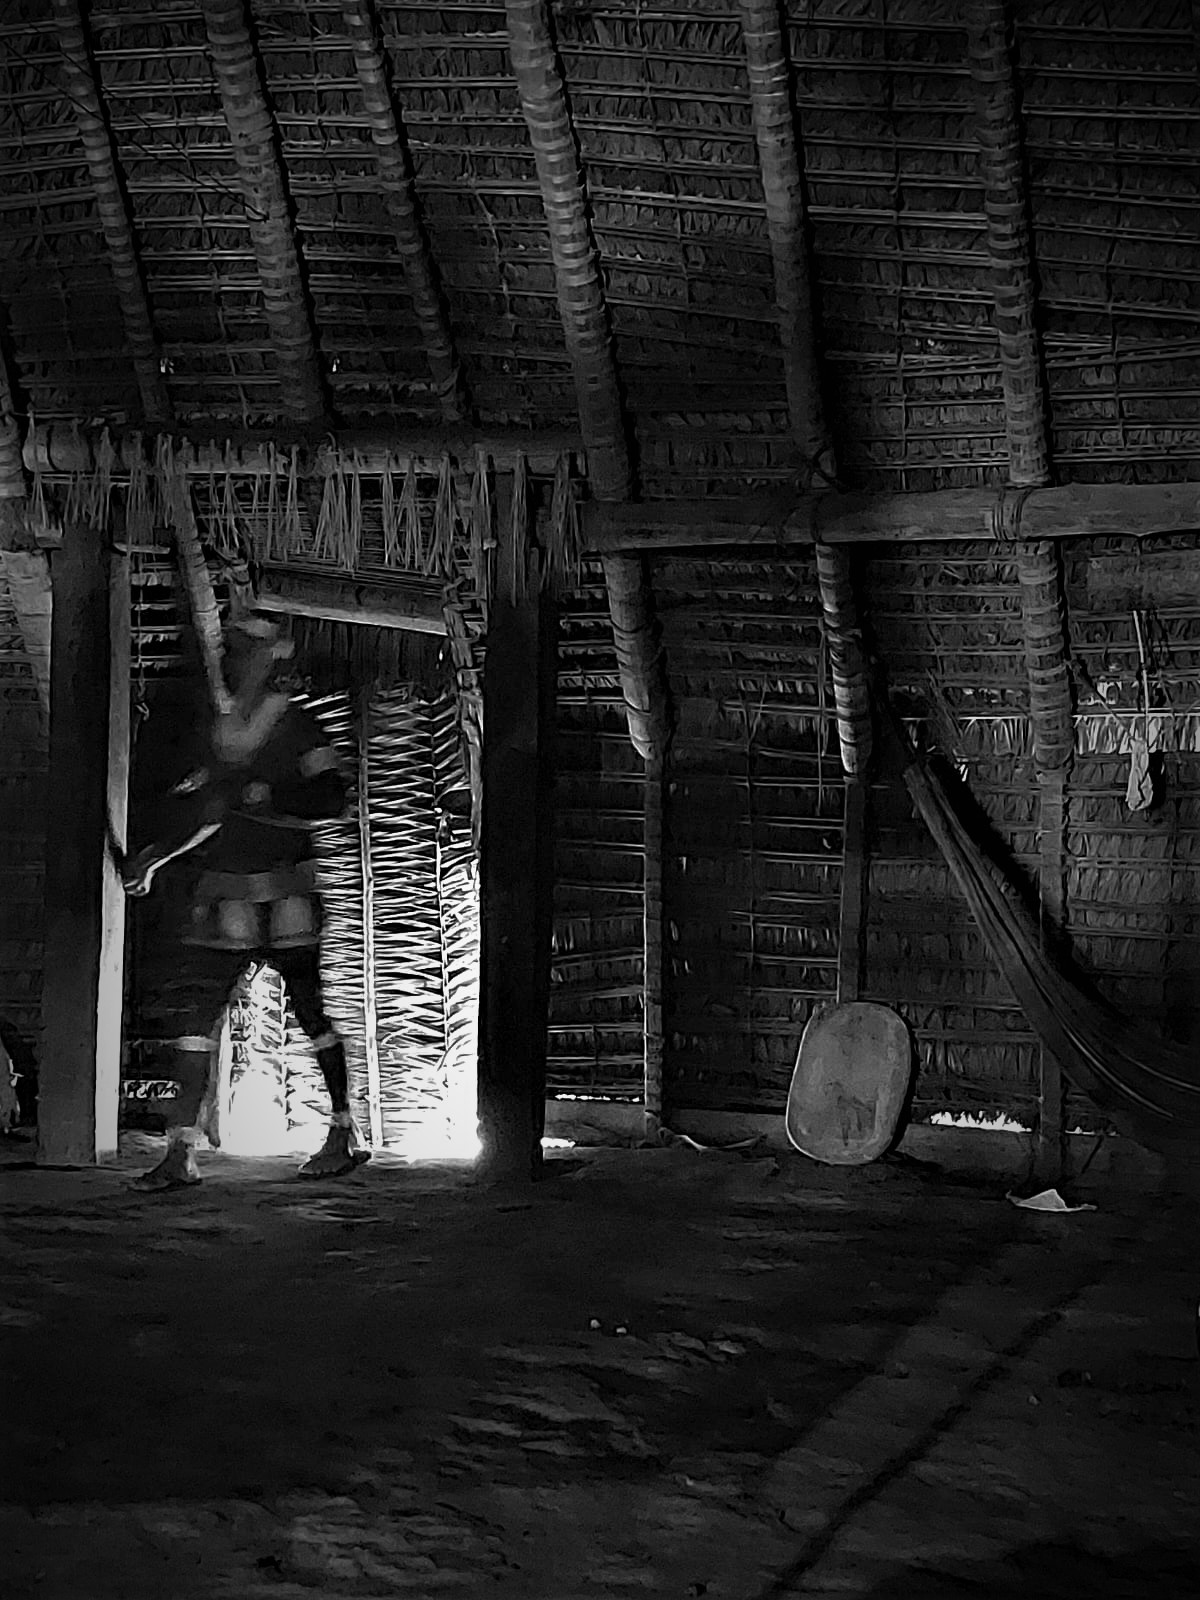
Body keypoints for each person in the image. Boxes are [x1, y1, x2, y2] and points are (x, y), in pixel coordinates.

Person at [122, 615, 370, 1191]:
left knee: (310, 1011)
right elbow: (211, 812)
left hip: (286, 894)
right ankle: (180, 1150)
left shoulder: (297, 728)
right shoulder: (221, 734)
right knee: (196, 1020)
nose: (238, 662)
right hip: (225, 896)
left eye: (249, 652)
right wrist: (155, 858)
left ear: (271, 659)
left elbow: (332, 799)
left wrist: (264, 794)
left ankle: (343, 1131)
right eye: (233, 651)